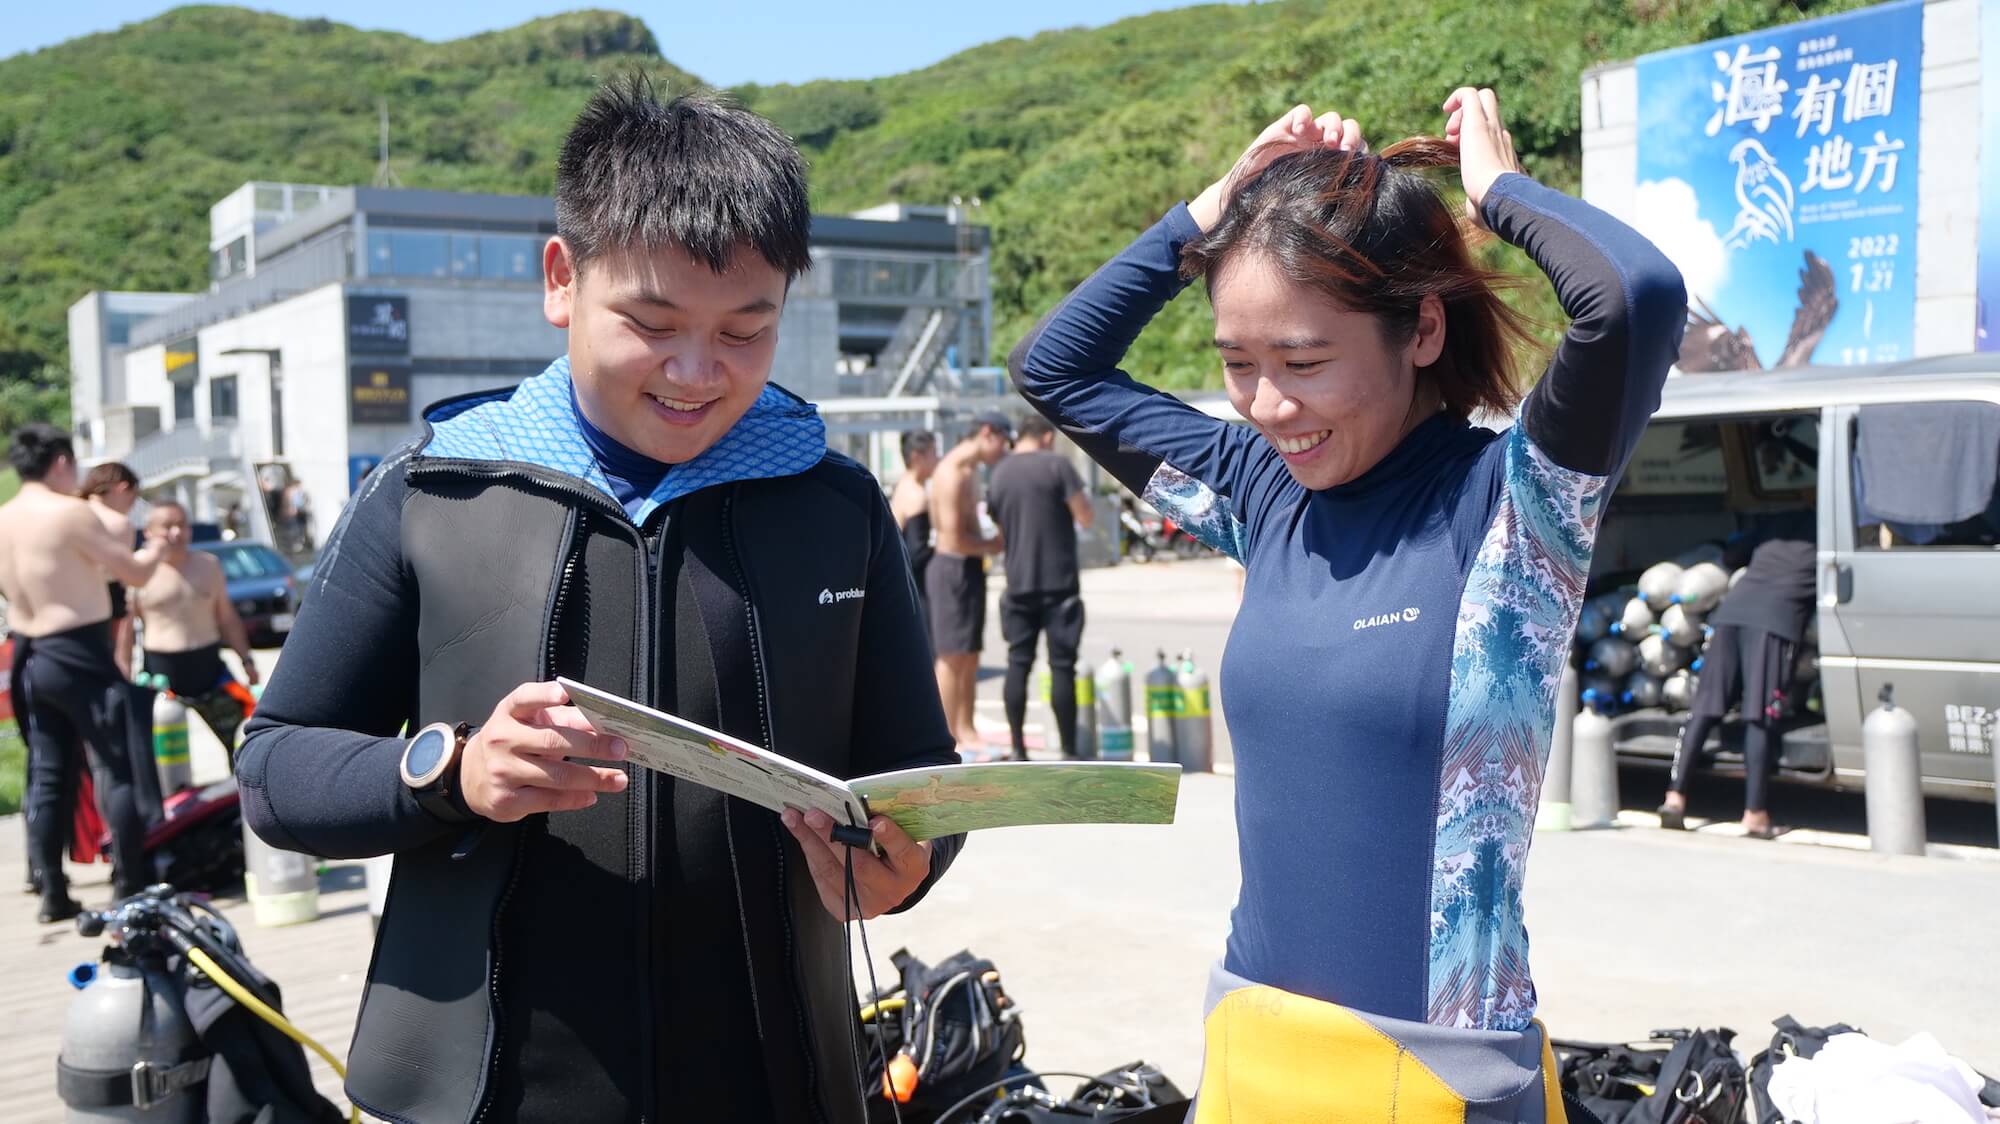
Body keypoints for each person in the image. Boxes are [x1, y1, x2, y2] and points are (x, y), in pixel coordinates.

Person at [236, 77, 962, 1124]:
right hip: (481, 1087)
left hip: (777, 1080)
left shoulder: (835, 502)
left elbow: (917, 773)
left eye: (745, 330)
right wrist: (452, 769)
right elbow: (276, 766)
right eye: (651, 321)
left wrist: (909, 865)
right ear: (560, 278)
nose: (695, 370)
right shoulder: (435, 486)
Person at [1008, 92, 1684, 1118]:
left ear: (1419, 328)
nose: (1268, 404)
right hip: (1251, 1045)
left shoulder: (1511, 505)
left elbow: (1631, 297)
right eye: (1237, 364)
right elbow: (1053, 368)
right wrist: (1215, 209)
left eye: (1304, 362)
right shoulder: (1261, 490)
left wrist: (1497, 193)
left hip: (1438, 1066)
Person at [0, 426, 167, 922]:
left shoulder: (4, 518)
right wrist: (155, 548)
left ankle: (52, 891)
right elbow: (133, 573)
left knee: (49, 777)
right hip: (79, 649)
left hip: (30, 653)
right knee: (115, 767)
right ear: (58, 463)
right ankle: (129, 883)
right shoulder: (69, 512)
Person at [1659, 517, 1816, 838]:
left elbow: (1731, 557)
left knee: (1705, 707)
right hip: (1775, 621)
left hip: (1731, 615)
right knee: (1759, 715)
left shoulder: (1771, 527)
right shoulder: (1826, 532)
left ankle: (1674, 797)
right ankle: (1755, 814)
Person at [986, 415, 1093, 760]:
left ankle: (1018, 749)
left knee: (1018, 662)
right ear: (1047, 436)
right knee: (1062, 667)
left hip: (1018, 583)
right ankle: (1069, 750)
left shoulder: (1000, 472)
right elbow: (1085, 516)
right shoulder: (1058, 466)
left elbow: (998, 524)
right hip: (1059, 584)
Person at [131, 500, 261, 768]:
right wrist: (122, 672)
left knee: (244, 739)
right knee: (152, 754)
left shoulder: (208, 565)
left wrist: (246, 659)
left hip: (208, 668)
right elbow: (124, 630)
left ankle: (242, 801)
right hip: (161, 675)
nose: (176, 533)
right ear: (148, 532)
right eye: (167, 526)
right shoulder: (137, 570)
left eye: (182, 525)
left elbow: (226, 617)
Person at [926, 413, 1010, 754]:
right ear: (987, 433)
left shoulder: (972, 471)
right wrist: (995, 544)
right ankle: (948, 733)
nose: (1003, 450)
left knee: (971, 654)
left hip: (970, 568)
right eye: (1002, 441)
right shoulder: (951, 473)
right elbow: (952, 539)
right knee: (951, 656)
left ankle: (967, 726)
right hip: (951, 568)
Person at [78, 462, 141, 679]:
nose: (131, 507)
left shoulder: (69, 511)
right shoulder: (118, 523)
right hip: (103, 610)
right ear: (123, 488)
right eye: (133, 499)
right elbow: (126, 578)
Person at [891, 429, 940, 616]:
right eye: (933, 453)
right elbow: (916, 553)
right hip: (917, 587)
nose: (937, 459)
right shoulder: (916, 495)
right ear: (917, 456)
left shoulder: (902, 485)